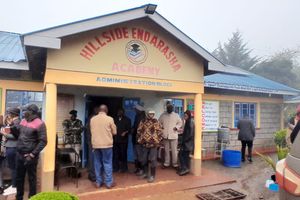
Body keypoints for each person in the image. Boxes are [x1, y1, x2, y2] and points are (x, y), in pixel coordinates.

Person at [10, 104, 47, 200]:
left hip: (30, 157)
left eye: (26, 110)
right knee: (19, 178)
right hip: (19, 155)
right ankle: (19, 197)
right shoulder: (23, 121)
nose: (24, 112)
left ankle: (32, 198)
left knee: (31, 179)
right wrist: (12, 126)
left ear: (32, 112)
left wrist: (32, 154)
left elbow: (43, 141)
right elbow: (18, 135)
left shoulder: (40, 123)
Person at [90, 105, 117, 189]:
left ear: (99, 110)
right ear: (106, 110)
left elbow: (92, 131)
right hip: (107, 145)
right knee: (107, 163)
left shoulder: (92, 119)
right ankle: (108, 183)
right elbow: (115, 132)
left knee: (97, 163)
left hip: (96, 145)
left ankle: (98, 182)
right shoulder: (110, 119)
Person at [137, 109, 162, 183]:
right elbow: (139, 131)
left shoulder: (156, 121)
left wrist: (158, 140)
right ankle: (145, 173)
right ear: (147, 114)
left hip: (153, 144)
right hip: (144, 144)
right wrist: (140, 140)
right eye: (150, 114)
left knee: (153, 159)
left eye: (152, 114)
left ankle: (152, 176)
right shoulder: (143, 121)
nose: (151, 115)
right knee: (144, 159)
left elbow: (160, 131)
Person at [0, 108, 21, 196]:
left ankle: (14, 186)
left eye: (9, 113)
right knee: (13, 167)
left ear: (12, 114)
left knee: (14, 168)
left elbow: (16, 136)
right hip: (10, 147)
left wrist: (4, 134)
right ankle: (13, 185)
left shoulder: (17, 122)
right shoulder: (14, 122)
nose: (8, 115)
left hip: (13, 147)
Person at [159, 103, 182, 169]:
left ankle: (175, 164)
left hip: (173, 135)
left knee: (174, 151)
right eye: (168, 108)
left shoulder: (176, 115)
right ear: (166, 108)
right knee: (166, 151)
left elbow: (180, 122)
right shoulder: (163, 115)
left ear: (172, 108)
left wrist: (176, 127)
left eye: (171, 108)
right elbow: (159, 123)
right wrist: (161, 128)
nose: (169, 109)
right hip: (165, 135)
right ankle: (166, 163)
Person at [113, 108, 131, 173]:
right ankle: (115, 168)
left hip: (124, 141)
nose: (119, 113)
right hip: (115, 140)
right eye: (118, 112)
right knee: (115, 155)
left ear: (123, 112)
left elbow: (129, 129)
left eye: (120, 112)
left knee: (123, 155)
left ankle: (124, 168)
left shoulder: (128, 120)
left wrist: (125, 132)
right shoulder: (114, 119)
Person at [178, 110, 194, 176]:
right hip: (187, 143)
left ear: (189, 116)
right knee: (184, 156)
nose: (184, 117)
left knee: (181, 155)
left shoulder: (190, 122)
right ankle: (184, 169)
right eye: (184, 116)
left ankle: (185, 169)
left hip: (187, 143)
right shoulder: (188, 122)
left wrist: (183, 141)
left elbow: (190, 134)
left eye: (186, 116)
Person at [85, 106, 99, 182]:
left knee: (92, 158)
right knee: (93, 158)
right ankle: (93, 176)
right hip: (93, 142)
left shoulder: (91, 118)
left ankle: (92, 174)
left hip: (91, 141)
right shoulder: (94, 119)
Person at [132, 104, 146, 174]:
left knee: (140, 155)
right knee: (136, 155)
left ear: (139, 110)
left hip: (139, 140)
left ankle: (141, 169)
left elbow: (140, 130)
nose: (135, 110)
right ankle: (137, 168)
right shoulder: (137, 116)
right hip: (135, 139)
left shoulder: (143, 118)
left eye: (136, 109)